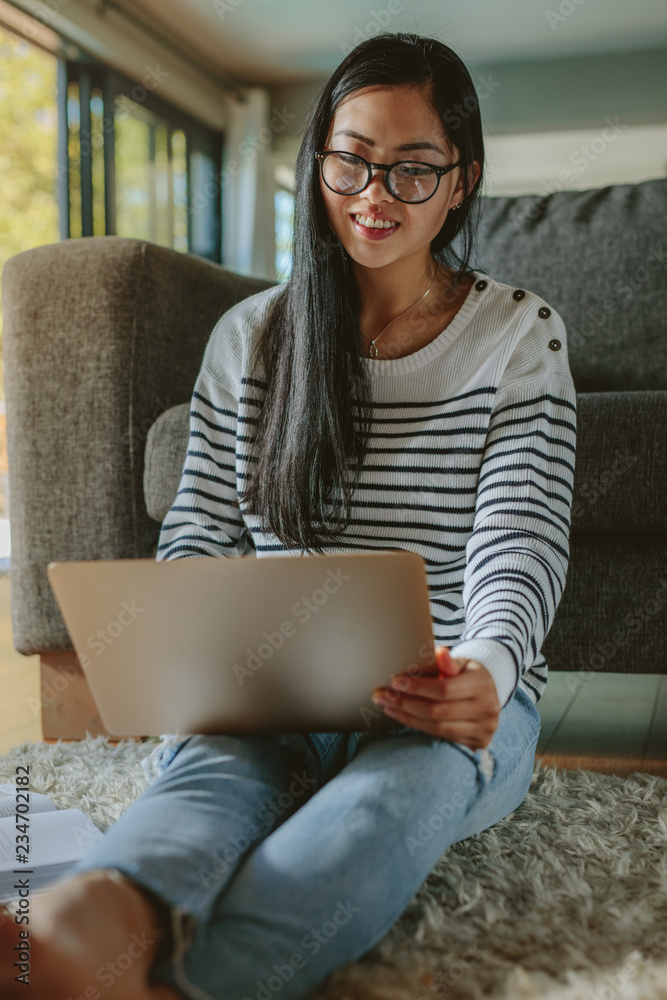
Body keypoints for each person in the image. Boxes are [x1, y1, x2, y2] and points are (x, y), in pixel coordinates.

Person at [0, 30, 577, 1000]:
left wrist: (490, 666)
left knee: (367, 820)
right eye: (350, 159)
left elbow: (519, 539)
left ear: (461, 179)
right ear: (318, 160)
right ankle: (54, 944)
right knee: (194, 798)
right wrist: (190, 644)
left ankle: (173, 989)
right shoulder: (251, 337)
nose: (373, 194)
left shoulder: (518, 335)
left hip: (446, 698)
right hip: (269, 689)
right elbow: (198, 533)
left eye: (412, 169)